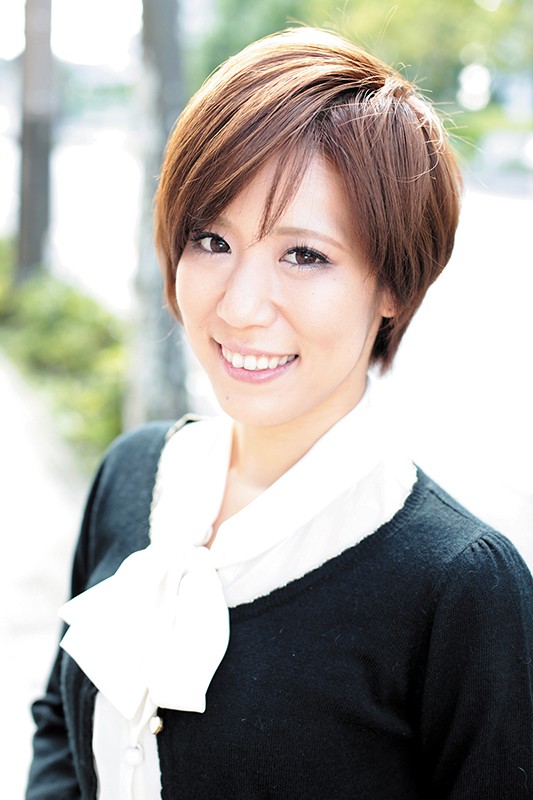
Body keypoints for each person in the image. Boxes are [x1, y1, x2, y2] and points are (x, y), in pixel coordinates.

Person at [26, 27, 533, 800]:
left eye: (303, 255)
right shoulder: (134, 474)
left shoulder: (459, 588)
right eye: (211, 239)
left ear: (394, 286)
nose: (238, 306)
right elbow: (61, 725)